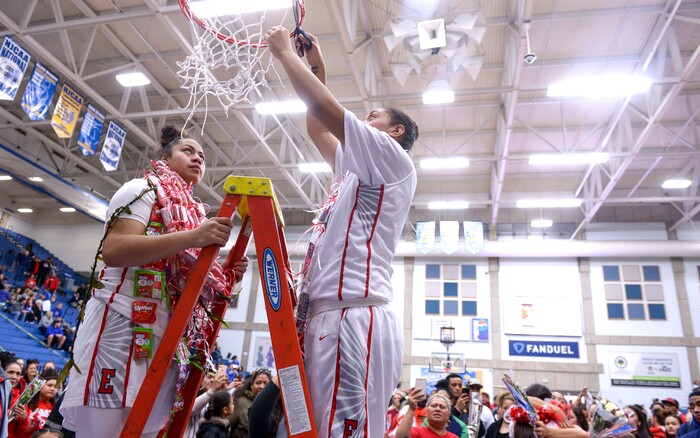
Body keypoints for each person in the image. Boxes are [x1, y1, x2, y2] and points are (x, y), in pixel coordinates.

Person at [264, 28, 418, 438]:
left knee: (336, 430)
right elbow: (318, 129)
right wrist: (317, 66)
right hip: (328, 313)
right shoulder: (353, 169)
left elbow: (324, 107)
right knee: (301, 427)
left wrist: (284, 55)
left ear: (395, 132)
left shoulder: (392, 159)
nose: (364, 123)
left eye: (372, 118)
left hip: (355, 314)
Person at [59, 125, 248, 438]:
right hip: (120, 325)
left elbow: (186, 281)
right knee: (104, 431)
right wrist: (194, 237)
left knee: (147, 429)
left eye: (202, 155)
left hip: (166, 340)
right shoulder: (142, 189)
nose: (198, 158)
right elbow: (115, 250)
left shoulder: (192, 213)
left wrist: (222, 270)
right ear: (165, 157)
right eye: (188, 150)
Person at [9, 369, 58, 438]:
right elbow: (19, 430)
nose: (53, 389)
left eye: (56, 387)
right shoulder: (26, 403)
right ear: (40, 386)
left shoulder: (57, 407)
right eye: (49, 385)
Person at [227, 368, 271, 438]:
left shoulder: (274, 406)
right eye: (258, 383)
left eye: (266, 383)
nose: (262, 387)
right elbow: (226, 423)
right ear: (252, 385)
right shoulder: (241, 402)